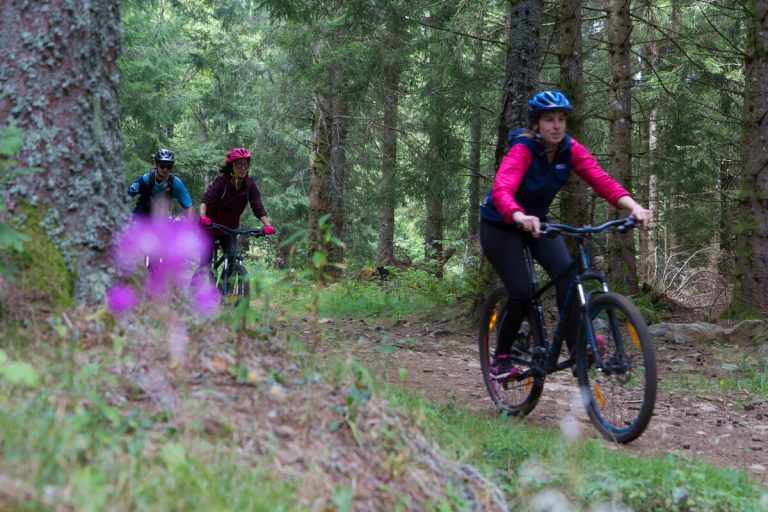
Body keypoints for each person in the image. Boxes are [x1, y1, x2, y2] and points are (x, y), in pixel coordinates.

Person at [479, 90, 651, 380]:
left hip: (538, 223)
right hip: (501, 224)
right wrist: (519, 215)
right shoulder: (522, 150)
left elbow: (601, 180)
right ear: (536, 124)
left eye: (561, 119)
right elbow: (502, 190)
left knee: (567, 276)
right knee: (521, 291)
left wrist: (634, 206)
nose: (557, 126)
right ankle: (502, 357)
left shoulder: (569, 149)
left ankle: (576, 348)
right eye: (549, 120)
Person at [199, 147, 275, 268]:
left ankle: (226, 287)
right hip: (210, 226)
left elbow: (257, 206)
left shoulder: (249, 184)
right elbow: (206, 201)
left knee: (232, 263)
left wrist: (268, 225)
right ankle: (195, 286)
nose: (243, 168)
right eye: (239, 165)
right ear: (232, 166)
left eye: (246, 165)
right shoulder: (221, 182)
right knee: (205, 265)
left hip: (229, 229)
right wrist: (203, 216)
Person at [127, 148, 195, 220]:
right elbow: (127, 195)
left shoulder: (176, 183)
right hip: (140, 218)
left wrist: (190, 227)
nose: (165, 169)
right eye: (162, 165)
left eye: (169, 166)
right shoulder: (145, 179)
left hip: (160, 220)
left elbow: (189, 207)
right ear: (156, 164)